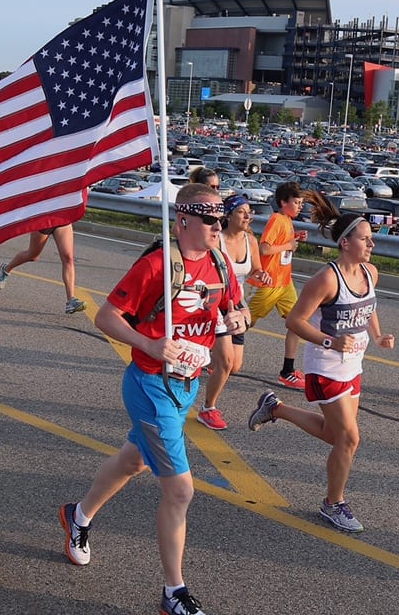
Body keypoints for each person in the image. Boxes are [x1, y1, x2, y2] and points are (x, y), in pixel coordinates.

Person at [59, 184, 245, 615]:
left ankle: (78, 516)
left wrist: (236, 320)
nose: (220, 226)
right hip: (149, 384)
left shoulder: (220, 262)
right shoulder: (157, 265)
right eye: (211, 219)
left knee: (133, 461)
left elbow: (238, 311)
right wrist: (149, 343)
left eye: (222, 218)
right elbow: (106, 315)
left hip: (187, 385)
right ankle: (172, 593)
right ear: (183, 221)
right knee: (180, 491)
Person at [247, 205, 395, 533]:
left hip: (353, 365)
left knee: (334, 434)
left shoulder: (370, 272)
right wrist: (330, 342)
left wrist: (378, 334)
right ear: (345, 243)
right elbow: (295, 321)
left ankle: (276, 409)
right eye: (365, 239)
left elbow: (368, 306)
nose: (371, 244)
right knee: (349, 438)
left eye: (372, 239)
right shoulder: (327, 279)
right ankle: (334, 503)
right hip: (326, 366)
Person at [195, 193, 264, 431]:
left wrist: (261, 276)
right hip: (216, 305)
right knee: (225, 362)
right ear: (229, 215)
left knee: (235, 366)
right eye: (242, 212)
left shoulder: (250, 241)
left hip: (238, 305)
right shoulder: (217, 240)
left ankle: (203, 358)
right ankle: (208, 408)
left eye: (249, 211)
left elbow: (255, 271)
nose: (248, 216)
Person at [249, 181, 309, 390]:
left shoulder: (287, 221)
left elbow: (283, 248)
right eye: (297, 202)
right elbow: (264, 248)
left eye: (302, 203)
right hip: (266, 284)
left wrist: (295, 237)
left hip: (284, 283)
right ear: (284, 202)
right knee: (243, 322)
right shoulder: (276, 219)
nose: (300, 206)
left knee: (297, 323)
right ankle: (215, 353)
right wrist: (289, 244)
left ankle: (287, 371)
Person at [0, 220, 88, 314]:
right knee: (33, 255)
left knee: (68, 258)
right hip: (44, 220)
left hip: (61, 217)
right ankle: (6, 269)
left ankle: (71, 301)